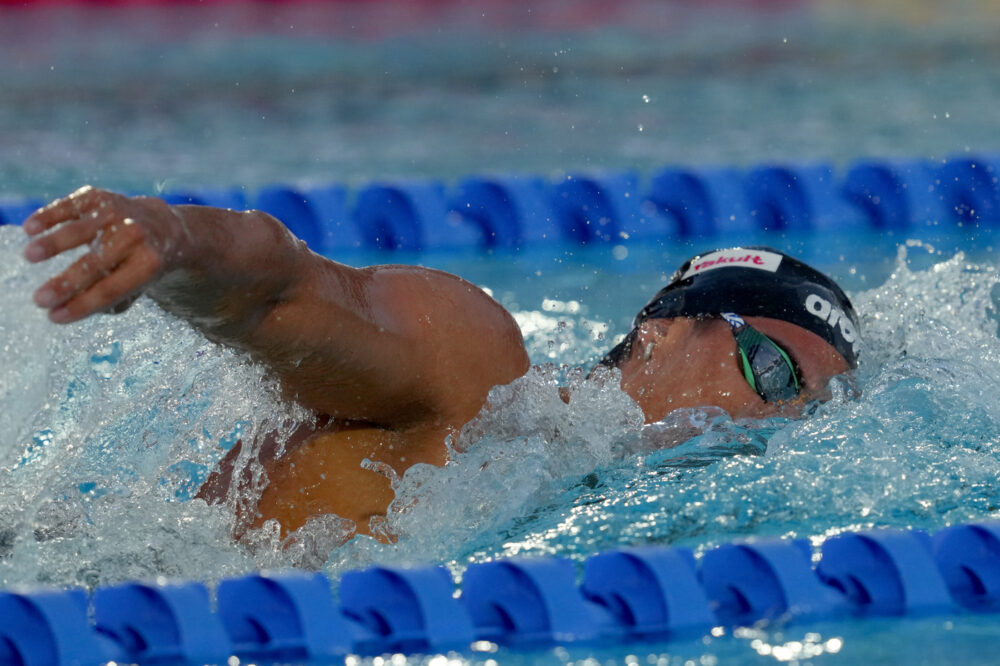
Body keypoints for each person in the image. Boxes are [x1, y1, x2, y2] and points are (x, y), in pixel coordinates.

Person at [21, 186, 859, 541]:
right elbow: (283, 289)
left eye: (812, 411)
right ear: (663, 333)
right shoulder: (477, 374)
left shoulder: (597, 504)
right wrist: (171, 240)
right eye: (775, 373)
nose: (784, 423)